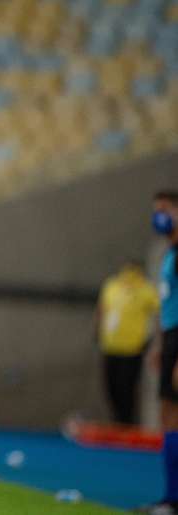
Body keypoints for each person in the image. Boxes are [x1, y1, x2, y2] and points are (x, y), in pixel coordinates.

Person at [140, 190, 178, 514]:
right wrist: (158, 344)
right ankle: (170, 496)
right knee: (168, 414)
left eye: (164, 209)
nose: (159, 216)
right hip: (169, 337)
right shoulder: (169, 254)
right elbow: (166, 304)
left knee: (174, 413)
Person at [94, 260, 159, 425]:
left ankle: (127, 422)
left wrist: (153, 340)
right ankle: (118, 421)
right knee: (111, 387)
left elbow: (160, 312)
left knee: (127, 388)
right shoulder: (112, 286)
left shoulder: (146, 289)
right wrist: (98, 330)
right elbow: (102, 309)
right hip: (110, 346)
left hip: (132, 348)